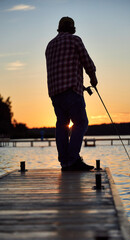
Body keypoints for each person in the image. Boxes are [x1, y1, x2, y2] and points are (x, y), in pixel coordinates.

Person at [45, 17, 98, 171]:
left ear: (59, 28)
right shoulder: (75, 40)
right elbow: (87, 61)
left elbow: (62, 71)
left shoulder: (50, 45)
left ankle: (65, 162)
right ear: (72, 28)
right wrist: (93, 78)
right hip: (71, 92)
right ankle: (73, 159)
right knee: (81, 122)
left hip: (55, 93)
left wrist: (82, 85)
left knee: (62, 125)